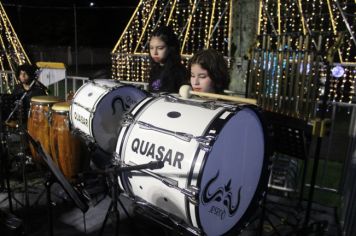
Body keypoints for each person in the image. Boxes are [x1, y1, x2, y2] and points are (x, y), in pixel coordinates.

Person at [148, 25, 187, 93]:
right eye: (151, 48)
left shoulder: (179, 72)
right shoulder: (154, 70)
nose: (154, 52)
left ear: (170, 48)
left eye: (160, 48)